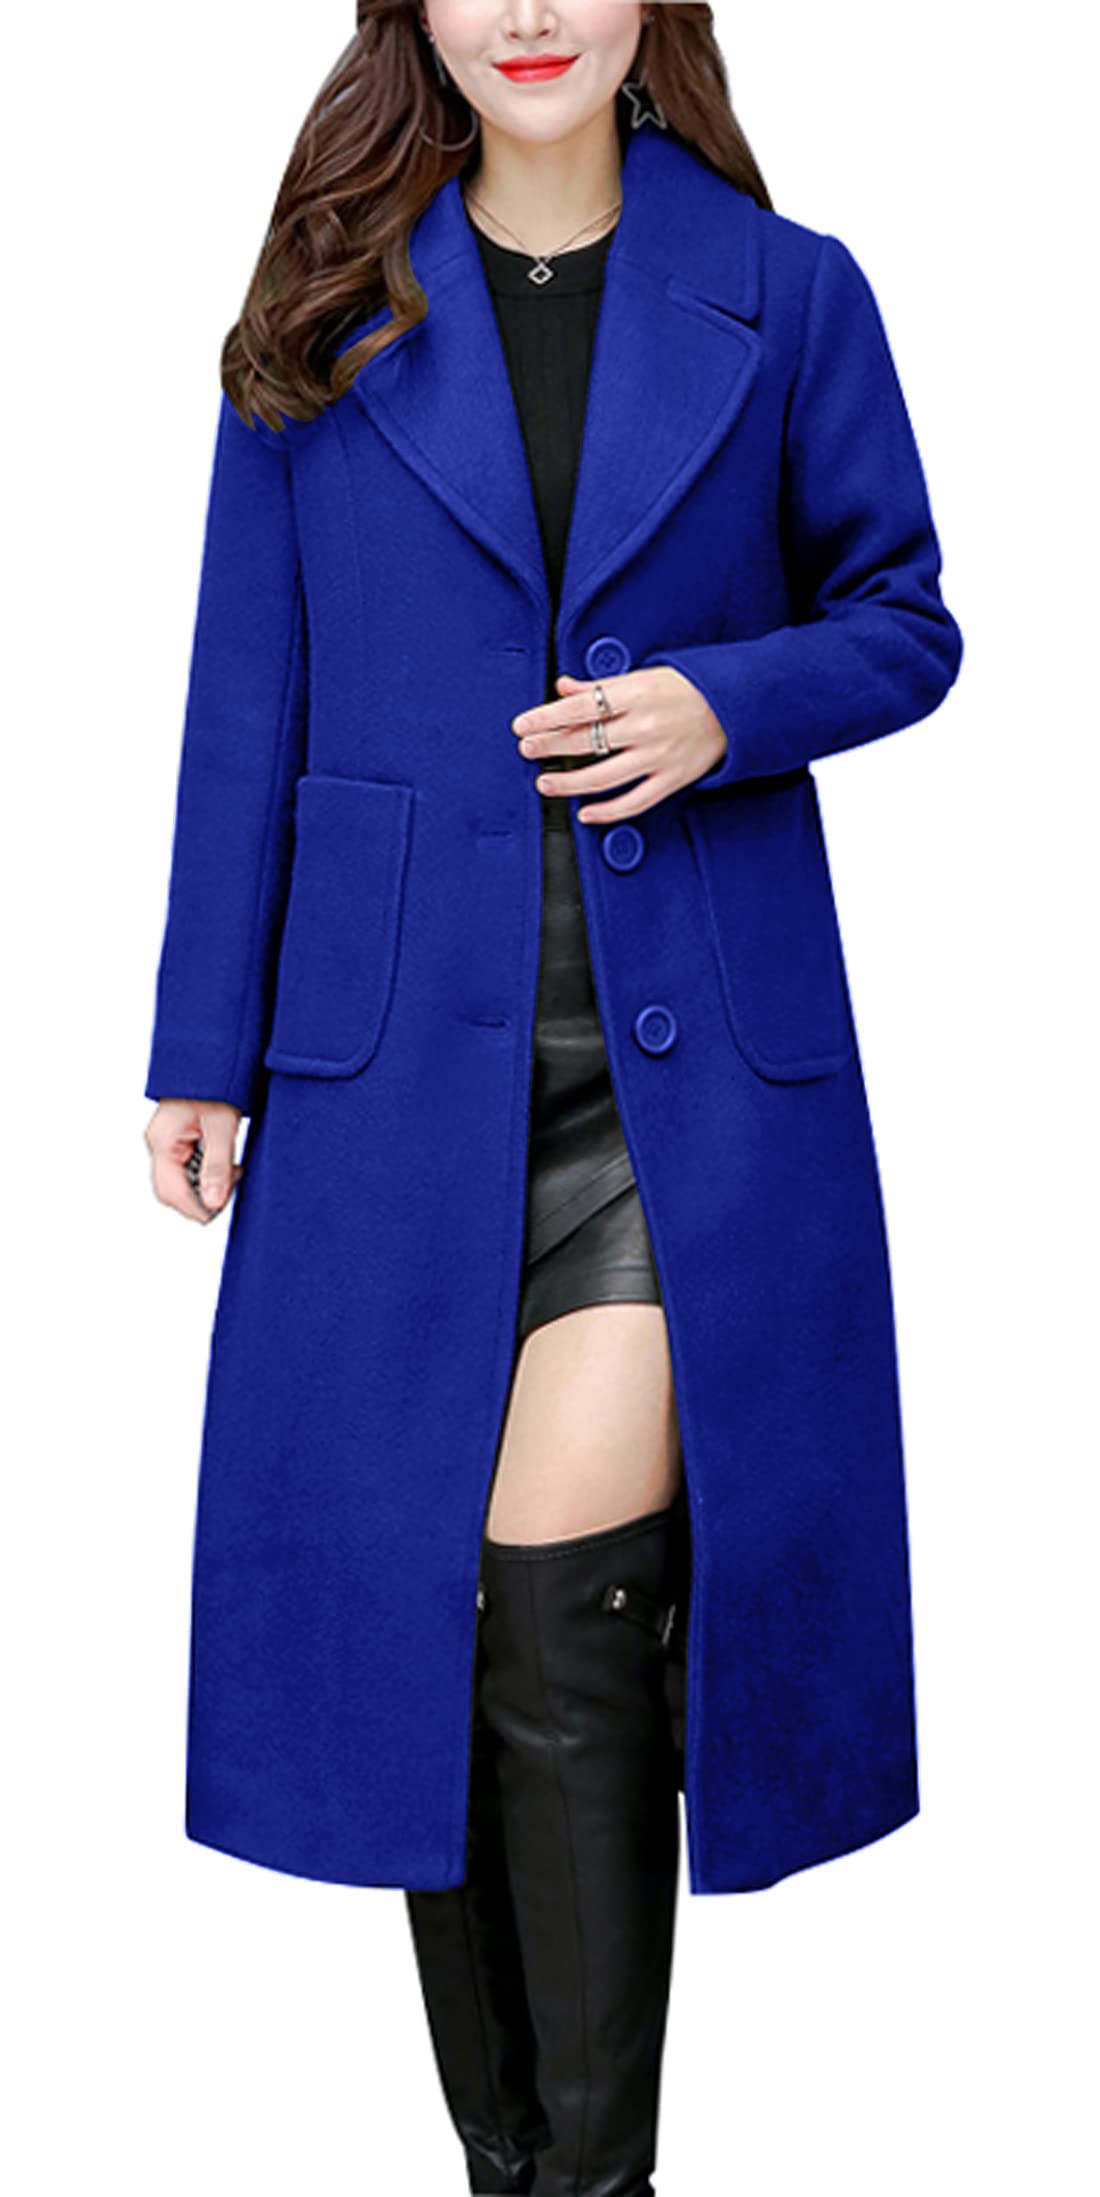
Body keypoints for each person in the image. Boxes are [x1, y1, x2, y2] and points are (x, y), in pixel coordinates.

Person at [142, 6, 963, 2193]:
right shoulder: (330, 296)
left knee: (551, 1612)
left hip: (683, 1105)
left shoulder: (788, 293)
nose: (528, 14)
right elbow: (245, 694)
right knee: (433, 1638)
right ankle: (511, 2171)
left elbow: (906, 617)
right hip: (386, 1092)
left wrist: (724, 704)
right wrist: (200, 1044)